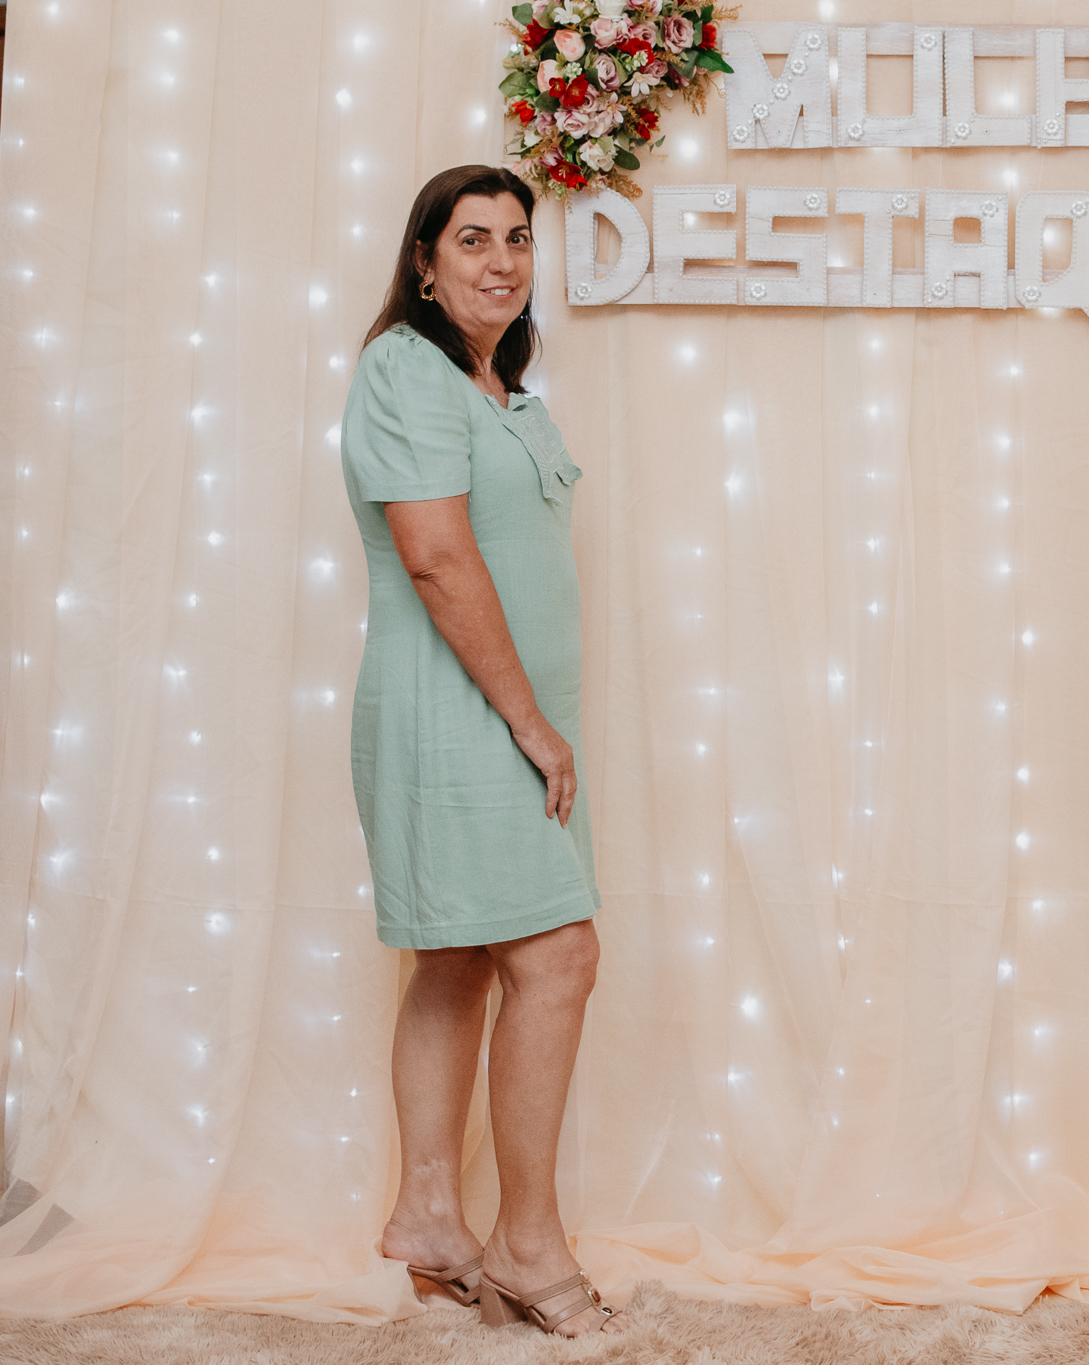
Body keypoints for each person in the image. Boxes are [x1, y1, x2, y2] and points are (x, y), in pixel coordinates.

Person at [341, 165, 620, 1338]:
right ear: (423, 264)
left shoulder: (502, 390)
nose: (501, 261)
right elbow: (437, 558)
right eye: (470, 240)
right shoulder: (406, 370)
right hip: (458, 713)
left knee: (456, 959)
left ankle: (428, 1218)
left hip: (504, 712)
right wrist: (528, 722)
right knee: (557, 956)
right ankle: (525, 1243)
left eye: (516, 238)